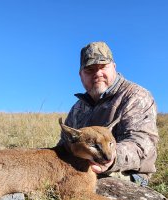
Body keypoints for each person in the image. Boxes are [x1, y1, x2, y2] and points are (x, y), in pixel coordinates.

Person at [58, 41, 158, 186]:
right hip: (80, 169)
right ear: (81, 75)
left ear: (114, 67)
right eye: (90, 70)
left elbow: (142, 145)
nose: (98, 73)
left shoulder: (136, 96)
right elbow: (64, 145)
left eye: (103, 66)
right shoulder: (78, 107)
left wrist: (112, 158)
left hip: (124, 173)